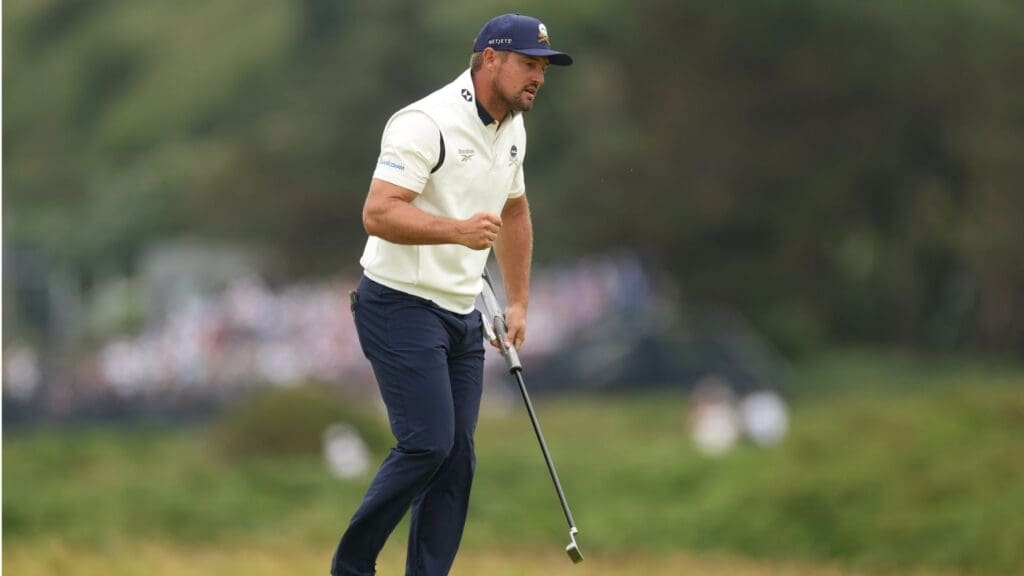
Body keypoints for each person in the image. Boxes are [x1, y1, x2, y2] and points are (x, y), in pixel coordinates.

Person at [331, 13, 573, 576]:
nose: (539, 77)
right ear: (491, 59)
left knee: (458, 458)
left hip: (462, 310)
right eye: (529, 65)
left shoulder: (512, 126)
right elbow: (378, 212)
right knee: (427, 445)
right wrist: (456, 231)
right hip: (398, 303)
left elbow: (515, 210)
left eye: (543, 68)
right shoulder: (425, 122)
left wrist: (519, 301)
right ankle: (351, 567)